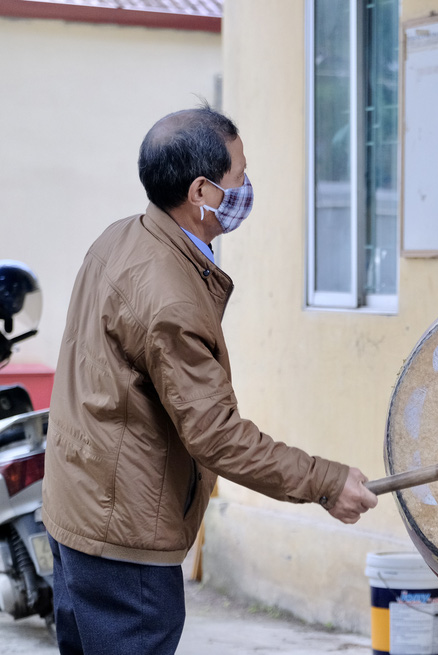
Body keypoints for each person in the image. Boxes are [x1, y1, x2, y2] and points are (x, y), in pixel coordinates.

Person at [41, 106, 378, 654]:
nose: (248, 187)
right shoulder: (169, 296)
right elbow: (216, 434)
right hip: (123, 540)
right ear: (201, 192)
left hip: (77, 509)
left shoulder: (121, 237)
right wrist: (325, 481)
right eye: (239, 176)